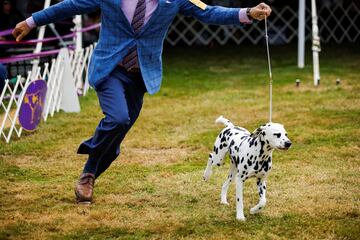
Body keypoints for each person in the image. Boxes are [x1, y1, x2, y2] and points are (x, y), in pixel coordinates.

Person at [12, 0, 271, 204]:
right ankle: (90, 164)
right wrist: (32, 21)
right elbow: (71, 4)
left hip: (140, 76)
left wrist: (248, 12)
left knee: (117, 134)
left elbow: (209, 12)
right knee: (117, 119)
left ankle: (90, 173)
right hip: (110, 69)